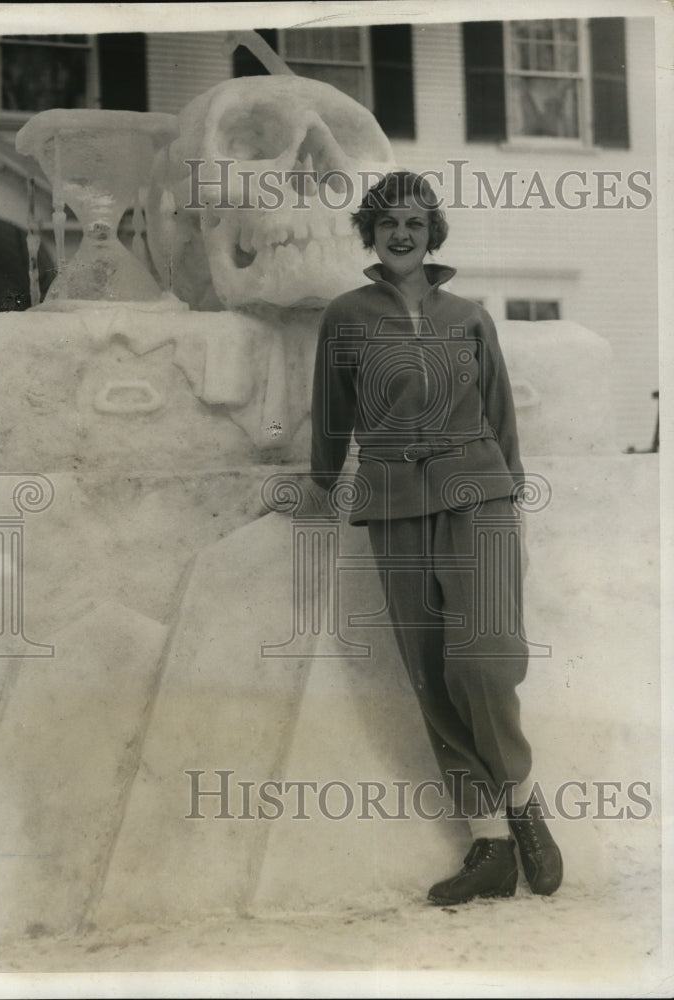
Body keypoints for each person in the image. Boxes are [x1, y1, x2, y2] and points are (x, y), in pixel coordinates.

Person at [306, 170, 562, 905]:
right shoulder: (346, 317)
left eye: (415, 221)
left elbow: (502, 412)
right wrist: (322, 482)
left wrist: (506, 488)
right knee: (428, 670)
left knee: (485, 659)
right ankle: (489, 845)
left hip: (477, 493)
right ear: (371, 232)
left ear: (433, 232)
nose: (402, 233)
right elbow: (329, 412)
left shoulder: (470, 316)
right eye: (387, 222)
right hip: (392, 503)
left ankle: (522, 801)